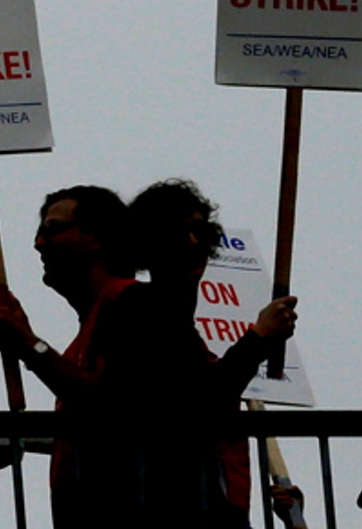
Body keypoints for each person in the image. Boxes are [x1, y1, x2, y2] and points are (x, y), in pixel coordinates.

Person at [97, 179, 298, 527]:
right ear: (149, 244)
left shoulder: (171, 318)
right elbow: (199, 401)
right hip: (179, 507)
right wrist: (259, 339)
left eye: (199, 230)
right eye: (176, 233)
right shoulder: (143, 310)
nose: (191, 242)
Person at [0, 185, 139, 528]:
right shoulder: (83, 336)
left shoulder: (134, 304)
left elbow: (112, 402)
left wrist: (30, 347)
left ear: (95, 238)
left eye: (52, 230)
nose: (39, 243)